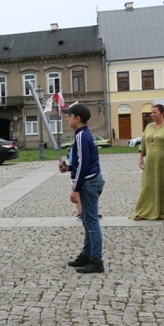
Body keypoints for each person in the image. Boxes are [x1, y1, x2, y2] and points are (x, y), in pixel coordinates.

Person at [58, 104, 105, 274]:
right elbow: (81, 163)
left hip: (89, 182)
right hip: (91, 180)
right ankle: (86, 255)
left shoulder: (81, 136)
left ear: (77, 119)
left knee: (92, 222)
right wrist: (69, 168)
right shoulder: (82, 135)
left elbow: (85, 165)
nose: (67, 119)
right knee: (87, 220)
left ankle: (96, 260)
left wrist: (75, 189)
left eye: (69, 116)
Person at [131, 104, 164, 221]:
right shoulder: (148, 126)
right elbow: (143, 144)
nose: (152, 115)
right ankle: (143, 211)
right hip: (151, 163)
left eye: (155, 112)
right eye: (151, 113)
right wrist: (141, 158)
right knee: (147, 186)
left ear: (162, 113)